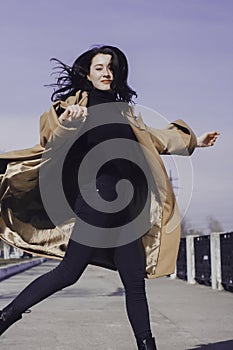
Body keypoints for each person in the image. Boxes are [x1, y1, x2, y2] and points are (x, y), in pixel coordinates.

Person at [0, 45, 219, 349]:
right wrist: (70, 117)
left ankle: (147, 346)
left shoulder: (124, 112)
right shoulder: (76, 105)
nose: (106, 73)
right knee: (69, 272)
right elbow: (53, 132)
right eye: (100, 67)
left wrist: (196, 141)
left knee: (134, 283)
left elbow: (157, 138)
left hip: (126, 208)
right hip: (96, 199)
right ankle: (5, 318)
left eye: (111, 67)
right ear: (87, 74)